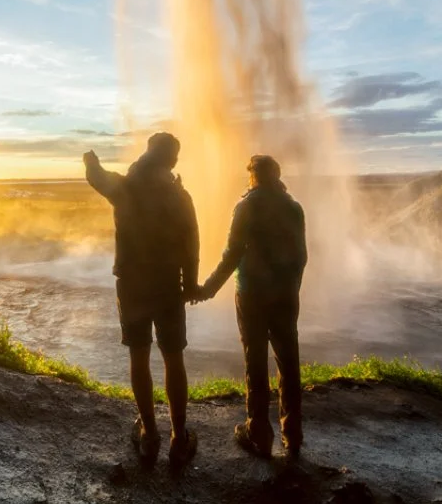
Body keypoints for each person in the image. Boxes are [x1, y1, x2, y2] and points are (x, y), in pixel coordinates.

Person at [84, 134, 201, 467]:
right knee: (173, 358)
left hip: (132, 284)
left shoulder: (126, 188)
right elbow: (192, 241)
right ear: (173, 160)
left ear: (147, 153)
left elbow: (96, 177)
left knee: (139, 356)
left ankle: (149, 434)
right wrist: (190, 283)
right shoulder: (180, 195)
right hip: (168, 285)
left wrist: (90, 161)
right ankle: (179, 438)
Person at [195, 154, 307, 460]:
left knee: (255, 359)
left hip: (252, 294)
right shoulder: (294, 208)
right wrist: (292, 288)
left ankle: (258, 433)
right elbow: (301, 256)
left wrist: (208, 289)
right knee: (289, 361)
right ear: (277, 174)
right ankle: (292, 434)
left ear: (254, 177)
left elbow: (233, 253)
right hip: (286, 296)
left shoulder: (246, 206)